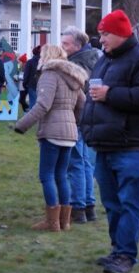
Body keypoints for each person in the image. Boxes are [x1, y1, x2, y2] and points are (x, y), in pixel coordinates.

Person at [81, 9, 139, 273]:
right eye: (101, 34)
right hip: (105, 143)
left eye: (105, 34)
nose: (101, 39)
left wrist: (111, 94)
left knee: (130, 202)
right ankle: (118, 250)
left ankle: (126, 256)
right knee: (112, 202)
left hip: (132, 144)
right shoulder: (105, 60)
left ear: (120, 34)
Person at [14, 45, 87, 232]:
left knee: (46, 175)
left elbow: (42, 106)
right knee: (61, 175)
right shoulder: (74, 77)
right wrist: (74, 122)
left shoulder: (49, 75)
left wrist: (22, 125)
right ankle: (65, 222)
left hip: (53, 133)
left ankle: (52, 222)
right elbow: (82, 104)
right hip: (70, 133)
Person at [61, 26, 101, 224]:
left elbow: (74, 91)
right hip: (88, 117)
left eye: (66, 44)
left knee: (75, 163)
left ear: (77, 45)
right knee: (84, 162)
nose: (63, 47)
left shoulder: (78, 65)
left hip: (76, 117)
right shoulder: (94, 59)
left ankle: (78, 207)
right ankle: (89, 206)